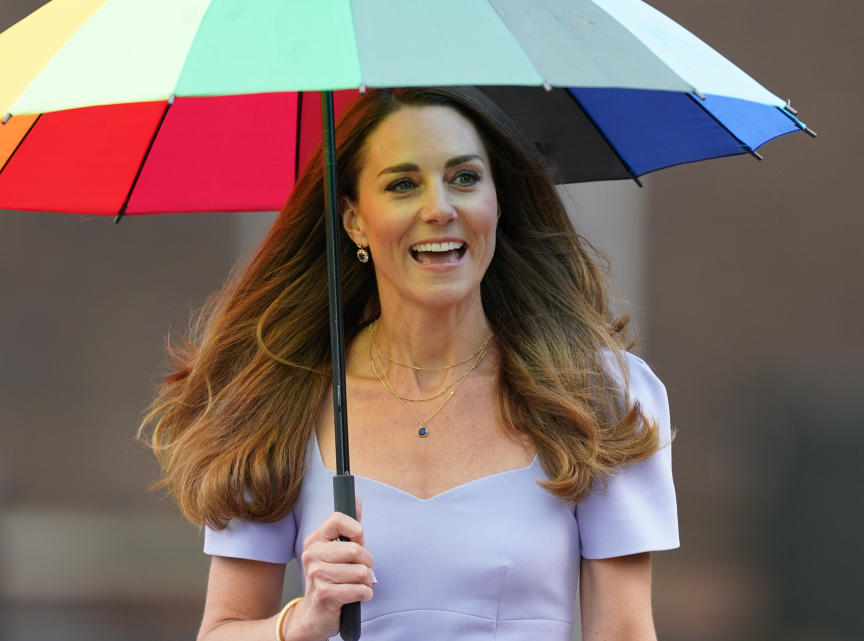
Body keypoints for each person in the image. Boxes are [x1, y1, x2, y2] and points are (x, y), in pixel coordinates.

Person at [141, 86, 678, 641]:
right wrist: (300, 622)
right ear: (354, 220)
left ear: (497, 201)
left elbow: (625, 632)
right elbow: (220, 631)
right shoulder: (284, 398)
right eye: (402, 184)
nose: (440, 208)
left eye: (465, 178)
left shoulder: (598, 394)